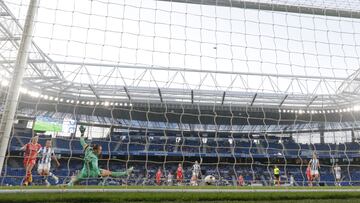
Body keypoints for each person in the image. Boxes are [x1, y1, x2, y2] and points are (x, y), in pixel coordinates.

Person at [67, 126, 133, 186]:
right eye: (100, 150)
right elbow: (95, 167)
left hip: (84, 172)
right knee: (110, 173)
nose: (100, 151)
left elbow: (82, 141)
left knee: (74, 182)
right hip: (92, 173)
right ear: (96, 150)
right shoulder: (94, 158)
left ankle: (69, 185)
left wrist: (82, 133)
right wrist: (99, 175)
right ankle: (125, 173)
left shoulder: (88, 149)